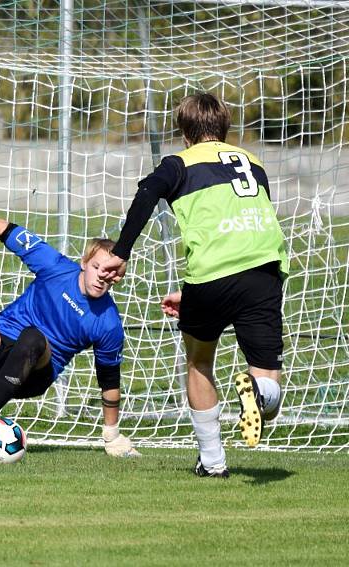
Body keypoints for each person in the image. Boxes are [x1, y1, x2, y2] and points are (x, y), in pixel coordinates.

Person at [100, 92, 287, 477]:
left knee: (199, 361)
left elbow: (147, 193)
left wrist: (121, 251)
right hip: (264, 270)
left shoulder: (179, 163)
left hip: (211, 275)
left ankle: (214, 462)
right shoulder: (254, 164)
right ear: (225, 128)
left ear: (185, 133)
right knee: (268, 378)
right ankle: (259, 392)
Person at [0, 218, 139, 457]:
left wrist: (111, 435)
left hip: (36, 371)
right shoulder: (54, 265)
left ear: (118, 278)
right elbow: (5, 229)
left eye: (111, 272)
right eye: (97, 266)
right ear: (84, 262)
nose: (103, 275)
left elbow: (109, 382)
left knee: (33, 338)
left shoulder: (109, 323)